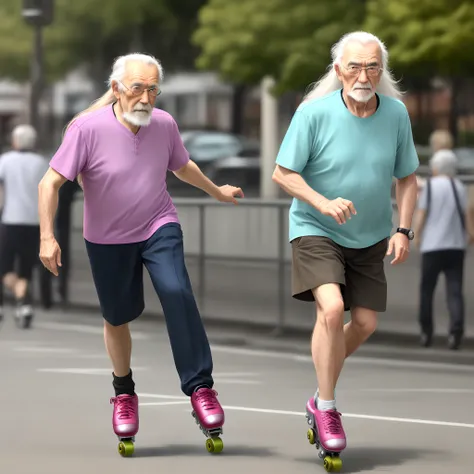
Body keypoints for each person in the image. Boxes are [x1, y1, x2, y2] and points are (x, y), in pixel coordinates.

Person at [38, 53, 243, 455]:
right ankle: (123, 391)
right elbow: (50, 184)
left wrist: (216, 191)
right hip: (107, 238)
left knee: (176, 291)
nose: (146, 97)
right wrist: (47, 236)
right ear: (116, 89)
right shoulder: (86, 129)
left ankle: (201, 387)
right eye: (137, 88)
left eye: (153, 89)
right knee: (117, 317)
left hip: (158, 225)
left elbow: (181, 167)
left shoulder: (164, 124)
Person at [272, 31, 419, 465]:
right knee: (332, 311)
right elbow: (283, 174)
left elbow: (408, 178)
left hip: (371, 236)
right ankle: (329, 409)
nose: (364, 74)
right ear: (338, 70)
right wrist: (322, 201)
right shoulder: (313, 114)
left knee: (367, 323)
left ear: (382, 71)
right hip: (315, 228)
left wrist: (403, 230)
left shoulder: (395, 114)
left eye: (373, 66)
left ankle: (319, 391)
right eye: (354, 66)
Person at [414, 130, 474, 350]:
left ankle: (426, 331)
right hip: (455, 245)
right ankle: (456, 331)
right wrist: (470, 234)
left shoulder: (429, 186)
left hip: (433, 246)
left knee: (427, 290)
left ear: (436, 167)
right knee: (455, 290)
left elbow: (422, 214)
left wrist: (416, 235)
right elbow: (467, 213)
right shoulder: (459, 187)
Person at [0, 124, 49, 328]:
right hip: (34, 222)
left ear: (15, 141)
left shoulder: (5, 161)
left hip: (10, 220)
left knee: (5, 268)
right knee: (26, 268)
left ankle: (24, 302)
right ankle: (24, 304)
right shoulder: (42, 163)